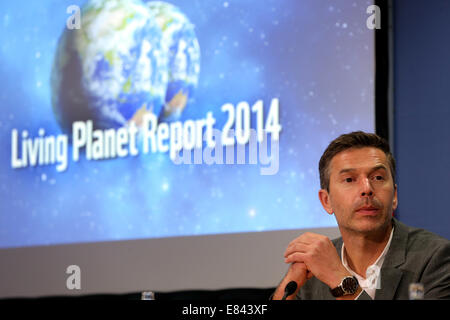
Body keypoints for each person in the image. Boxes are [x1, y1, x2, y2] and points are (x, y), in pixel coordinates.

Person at [272, 131, 450, 300]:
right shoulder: (315, 267)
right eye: (349, 179)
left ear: (394, 196)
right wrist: (292, 280)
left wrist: (340, 280)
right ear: (326, 201)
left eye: (378, 178)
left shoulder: (434, 258)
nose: (367, 189)